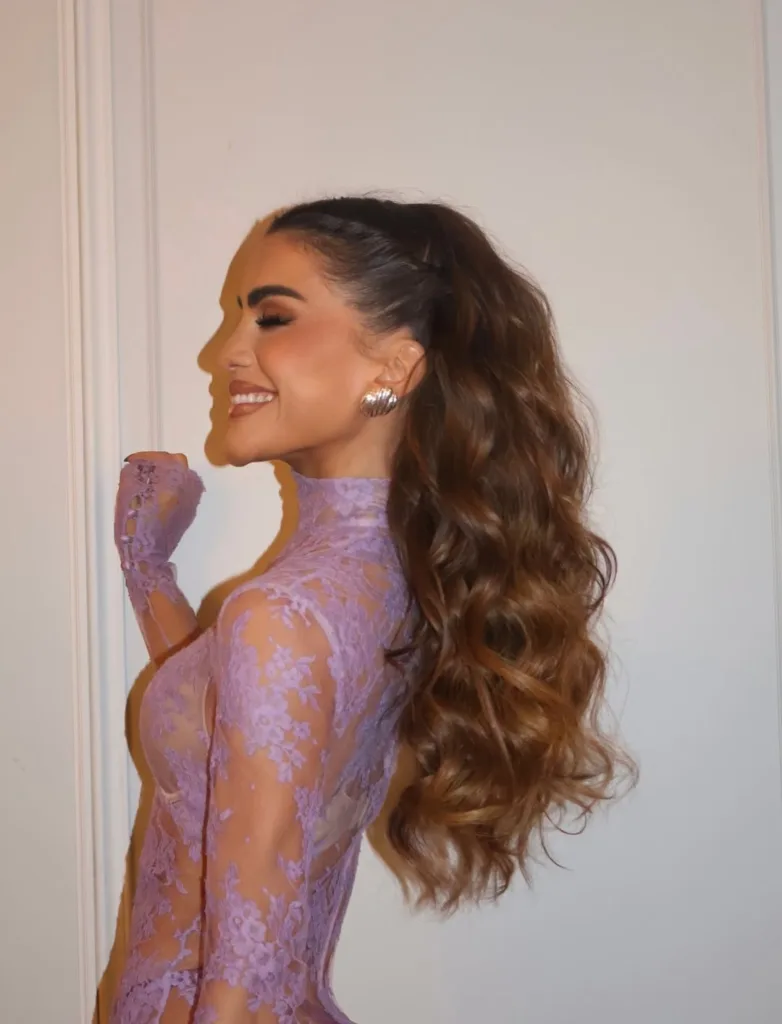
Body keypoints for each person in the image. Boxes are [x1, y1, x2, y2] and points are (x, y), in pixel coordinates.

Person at [110, 195, 634, 1023]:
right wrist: (148, 569)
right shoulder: (383, 580)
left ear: (392, 368)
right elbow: (222, 729)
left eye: (271, 318)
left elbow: (247, 966)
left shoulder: (284, 613)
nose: (225, 352)